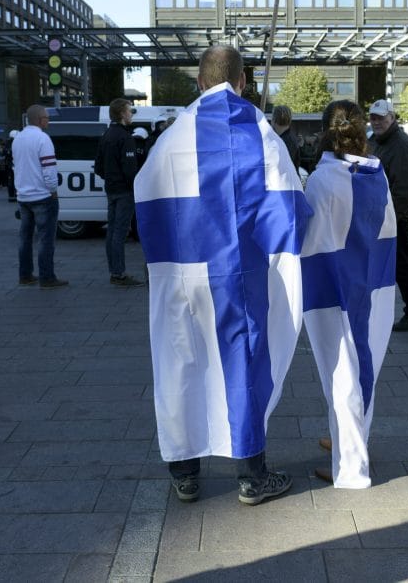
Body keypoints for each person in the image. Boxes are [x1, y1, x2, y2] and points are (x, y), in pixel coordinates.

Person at [134, 45, 311, 506]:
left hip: (183, 273)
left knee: (180, 363)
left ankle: (185, 475)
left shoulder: (172, 136)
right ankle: (252, 477)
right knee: (244, 363)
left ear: (199, 81)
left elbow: (146, 198)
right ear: (243, 81)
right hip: (237, 276)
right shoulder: (260, 133)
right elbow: (289, 209)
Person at [301, 100, 396, 488]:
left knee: (342, 373)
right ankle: (351, 439)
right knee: (362, 365)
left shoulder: (323, 179)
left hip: (333, 287)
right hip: (371, 283)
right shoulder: (377, 174)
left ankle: (352, 468)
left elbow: (308, 236)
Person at [368, 99, 408, 331]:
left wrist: (392, 219)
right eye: (373, 117)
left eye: (381, 118)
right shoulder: (376, 140)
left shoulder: (400, 144)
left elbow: (406, 188)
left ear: (392, 117)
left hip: (396, 215)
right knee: (395, 263)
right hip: (382, 213)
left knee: (402, 263)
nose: (376, 122)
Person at [13, 105, 67, 288]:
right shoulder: (43, 139)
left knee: (25, 238)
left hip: (23, 196)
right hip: (42, 196)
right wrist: (53, 190)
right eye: (46, 118)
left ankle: (25, 275)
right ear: (39, 119)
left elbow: (16, 167)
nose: (48, 121)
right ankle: (47, 277)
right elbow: (49, 168)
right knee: (46, 239)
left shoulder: (18, 138)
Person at [94, 98, 144, 287]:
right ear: (122, 114)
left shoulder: (106, 135)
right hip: (124, 192)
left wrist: (111, 178)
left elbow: (98, 166)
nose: (131, 114)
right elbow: (130, 171)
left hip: (111, 190)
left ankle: (114, 271)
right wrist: (135, 187)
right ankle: (119, 274)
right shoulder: (125, 137)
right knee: (120, 233)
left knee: (112, 231)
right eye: (129, 111)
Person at [271, 104, 301, 172]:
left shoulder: (286, 142)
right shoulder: (287, 139)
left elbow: (280, 168)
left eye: (272, 117)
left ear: (275, 120)